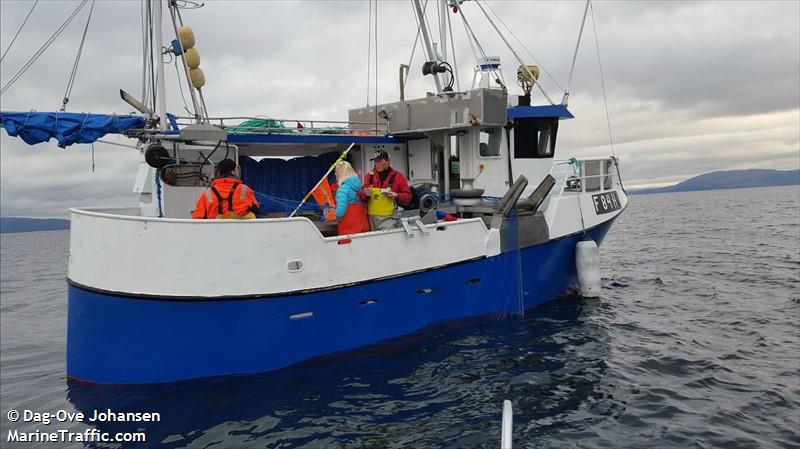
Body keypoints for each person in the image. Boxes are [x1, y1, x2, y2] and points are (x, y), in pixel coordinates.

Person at [358, 149, 412, 230]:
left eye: (380, 161)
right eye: (375, 161)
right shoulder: (369, 176)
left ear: (388, 161)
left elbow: (408, 197)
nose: (377, 164)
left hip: (389, 220)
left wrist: (396, 195)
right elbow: (361, 195)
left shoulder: (398, 176)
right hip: (371, 221)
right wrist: (365, 194)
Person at [192, 158, 260, 219]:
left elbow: (198, 217)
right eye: (236, 169)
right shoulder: (245, 189)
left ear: (219, 173)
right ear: (233, 171)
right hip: (242, 231)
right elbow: (256, 209)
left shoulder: (207, 193)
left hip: (215, 231)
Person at [333, 161, 370, 235]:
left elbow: (340, 213)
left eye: (336, 171)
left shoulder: (343, 189)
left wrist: (329, 214)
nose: (335, 174)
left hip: (349, 229)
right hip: (363, 226)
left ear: (342, 172)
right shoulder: (359, 186)